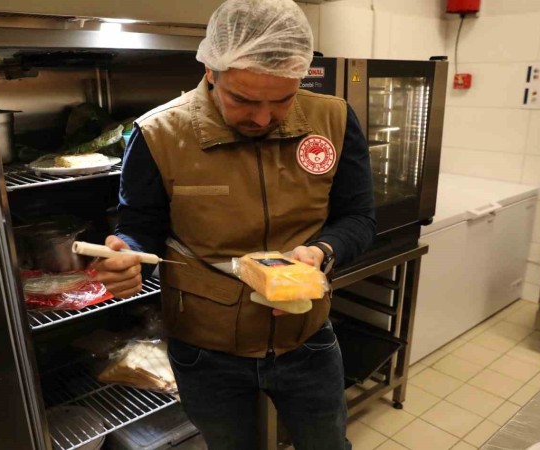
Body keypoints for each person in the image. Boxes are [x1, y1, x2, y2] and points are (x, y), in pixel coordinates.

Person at [93, 0, 375, 448]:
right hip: (206, 349)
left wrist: (322, 252)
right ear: (211, 71)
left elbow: (358, 217)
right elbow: (140, 226)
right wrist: (129, 257)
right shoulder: (159, 134)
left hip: (306, 337)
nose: (262, 118)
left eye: (282, 100)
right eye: (243, 99)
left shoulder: (334, 119)